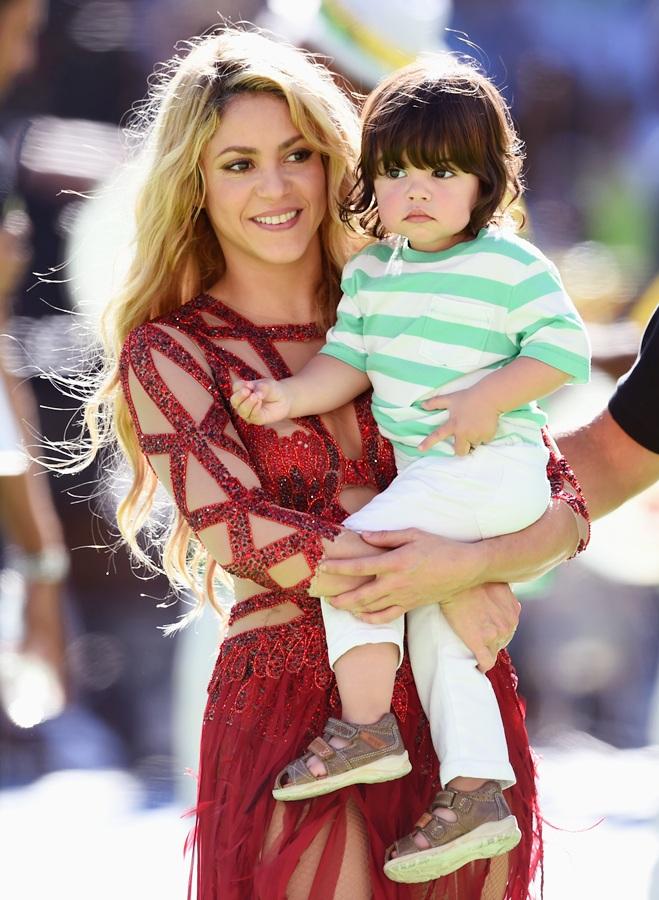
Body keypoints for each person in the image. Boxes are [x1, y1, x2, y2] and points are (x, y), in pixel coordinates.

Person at [74, 27, 588, 899]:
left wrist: (470, 565)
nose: (274, 187)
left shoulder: (426, 295)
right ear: (193, 185)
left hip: (457, 711)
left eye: (297, 154)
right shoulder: (174, 352)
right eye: (237, 163)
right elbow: (239, 532)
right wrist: (445, 575)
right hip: (297, 722)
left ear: (335, 164)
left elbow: (563, 509)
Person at [230, 56, 590, 883]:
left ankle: (364, 728)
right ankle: (474, 791)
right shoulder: (371, 275)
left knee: (364, 549)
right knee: (438, 630)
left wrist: (488, 399)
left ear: (486, 182)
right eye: (395, 172)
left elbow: (562, 352)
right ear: (371, 182)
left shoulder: (509, 266)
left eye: (441, 170)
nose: (416, 189)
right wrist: (285, 399)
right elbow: (345, 365)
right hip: (440, 480)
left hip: (489, 463)